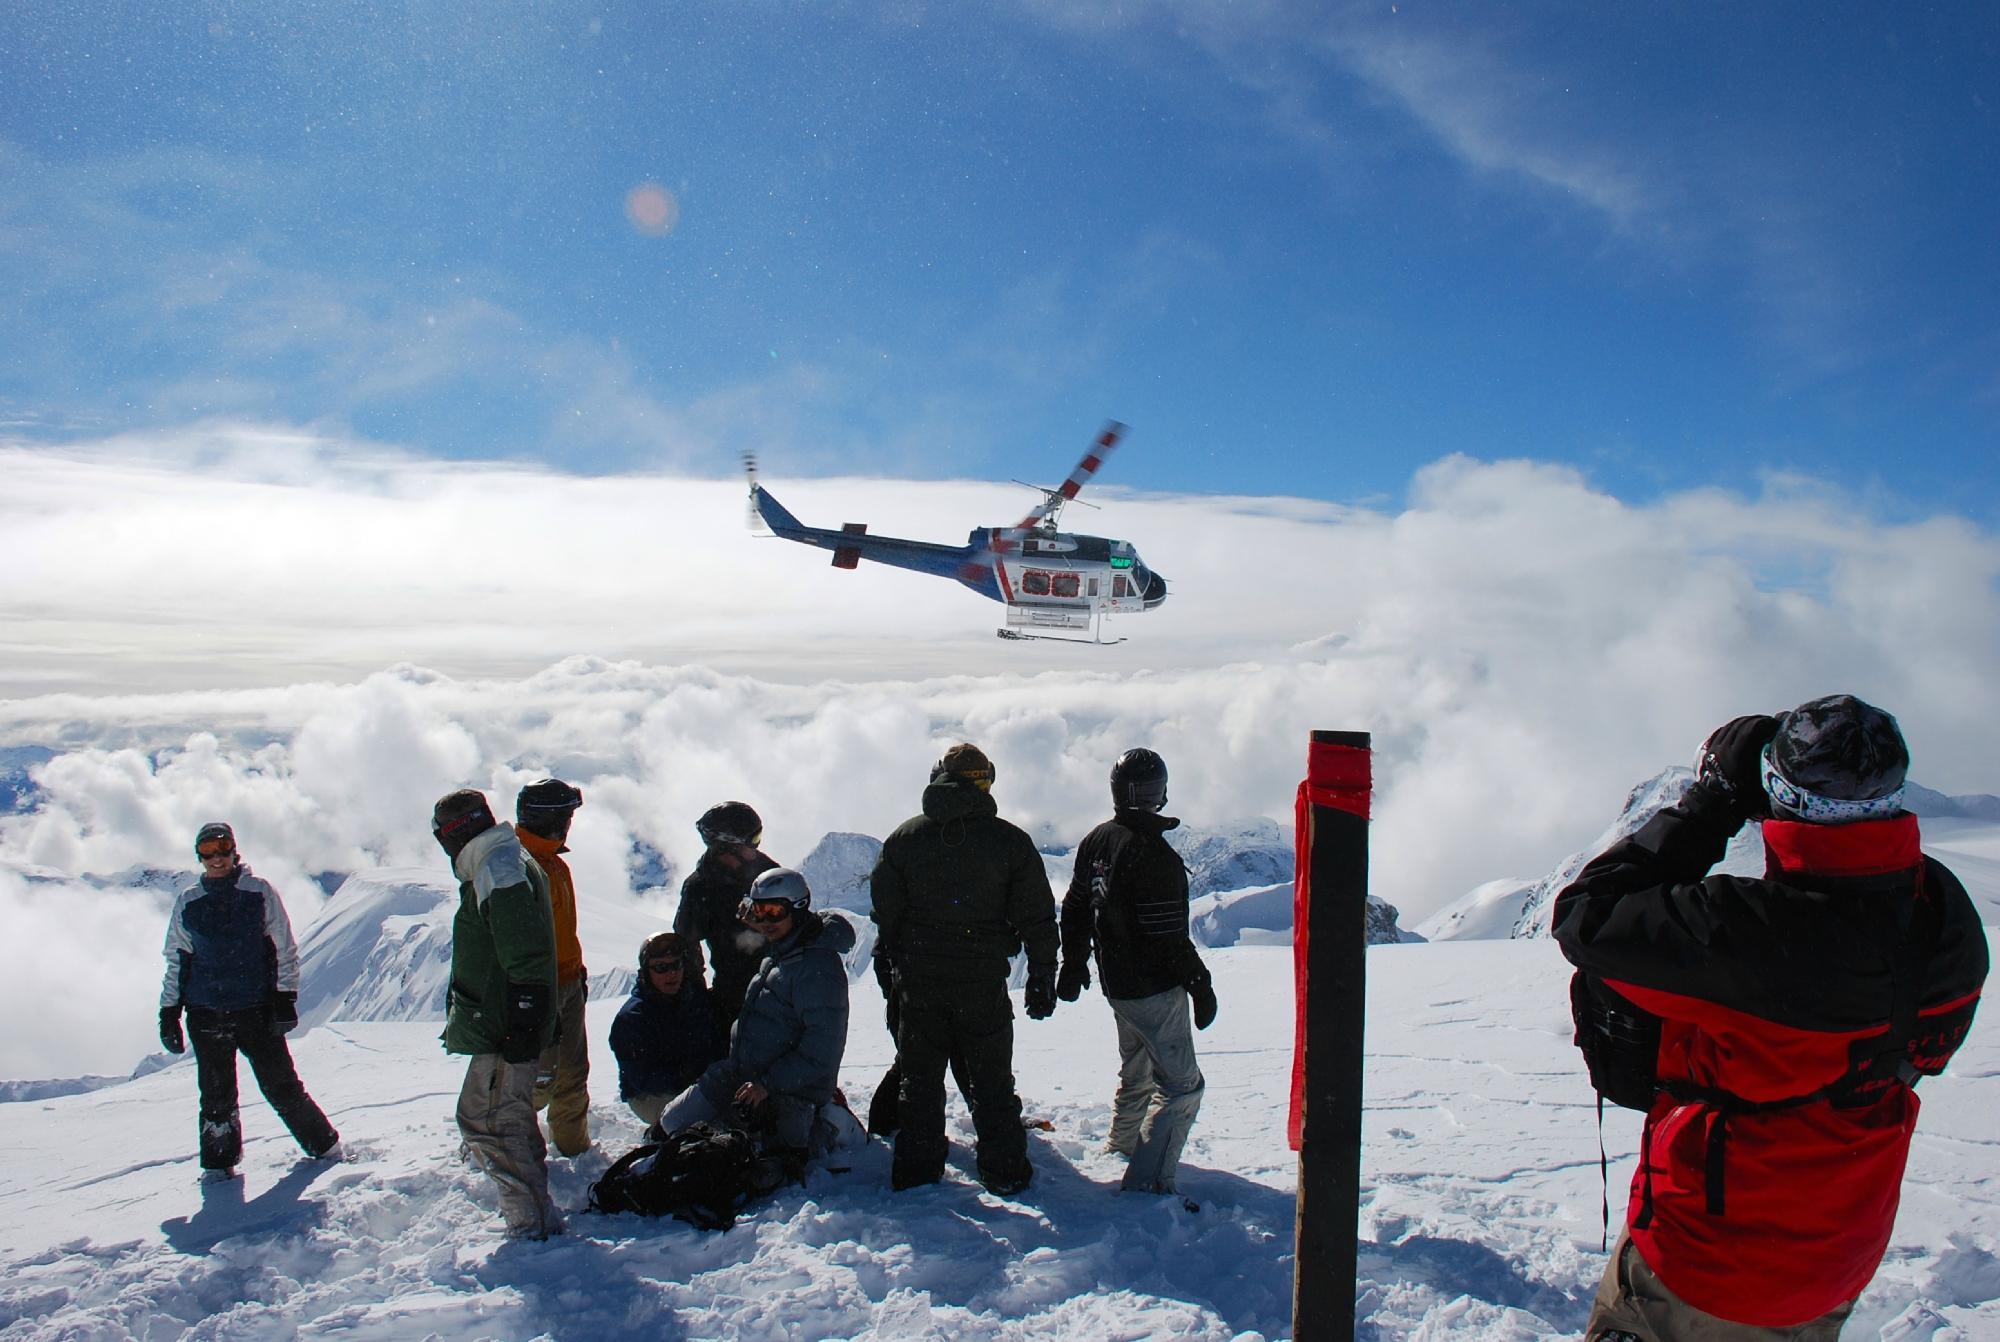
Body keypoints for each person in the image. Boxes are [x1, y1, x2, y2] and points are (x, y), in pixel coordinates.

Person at [1553, 695, 1987, 1340]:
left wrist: (1712, 806)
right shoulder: (1943, 910)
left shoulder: (1745, 930)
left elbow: (1586, 918)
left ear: (1779, 794)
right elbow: (1927, 1050)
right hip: (1838, 1250)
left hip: (1705, 1260)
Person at [870, 743, 1060, 1195]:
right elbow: (1036, 916)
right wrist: (1042, 975)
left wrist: (897, 968)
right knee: (991, 1082)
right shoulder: (1009, 841)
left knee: (919, 1084)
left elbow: (887, 914)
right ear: (985, 782)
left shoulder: (903, 839)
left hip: (919, 984)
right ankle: (1005, 1172)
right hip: (982, 983)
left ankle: (917, 1175)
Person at [1058, 748, 1215, 1196]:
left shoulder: (1098, 840)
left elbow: (1074, 907)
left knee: (1139, 1067)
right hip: (1154, 988)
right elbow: (1167, 936)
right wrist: (1199, 984)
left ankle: (1123, 1144)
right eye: (1150, 790)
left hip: (1118, 985)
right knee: (1182, 1086)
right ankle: (1148, 1183)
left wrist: (1074, 963)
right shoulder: (1152, 854)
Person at [158, 822, 341, 1180]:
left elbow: (285, 947)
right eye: (208, 850)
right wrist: (169, 1012)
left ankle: (327, 1148)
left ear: (234, 850)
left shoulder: (259, 892)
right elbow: (177, 959)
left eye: (222, 847)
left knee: (281, 1085)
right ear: (199, 856)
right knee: (215, 1096)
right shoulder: (189, 901)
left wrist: (285, 997)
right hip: (205, 1013)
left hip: (255, 1010)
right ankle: (217, 1168)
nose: (216, 857)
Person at [651, 869, 858, 1166]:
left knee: (746, 1160)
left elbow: (822, 1051)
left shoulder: (817, 968)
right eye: (758, 911)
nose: (765, 921)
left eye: (774, 911)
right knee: (671, 1125)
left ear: (799, 908)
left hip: (789, 1090)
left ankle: (828, 1121)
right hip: (741, 1074)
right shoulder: (784, 948)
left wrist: (768, 1085)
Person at [433, 788, 563, 1240]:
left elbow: (523, 949)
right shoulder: (502, 858)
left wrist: (526, 1016)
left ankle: (532, 1225)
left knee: (489, 1120)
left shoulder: (498, 866)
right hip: (506, 1018)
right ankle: (535, 1215)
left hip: (504, 1022)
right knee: (506, 1114)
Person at [514, 777, 592, 1156]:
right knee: (538, 1077)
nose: (570, 822)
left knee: (573, 1072)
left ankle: (574, 1146)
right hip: (538, 989)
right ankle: (508, 1143)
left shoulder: (554, 864)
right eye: (567, 815)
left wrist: (576, 973)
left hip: (567, 982)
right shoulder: (519, 868)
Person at [672, 801, 780, 1033]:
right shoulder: (699, 888)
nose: (757, 846)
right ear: (727, 846)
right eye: (753, 839)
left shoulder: (767, 873)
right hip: (733, 999)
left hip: (781, 988)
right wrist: (699, 999)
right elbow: (685, 944)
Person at [609, 931, 721, 1126]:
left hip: (697, 1084)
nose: (672, 974)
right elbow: (639, 1077)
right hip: (649, 1095)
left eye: (676, 965)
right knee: (699, 1119)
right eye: (661, 968)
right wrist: (683, 1076)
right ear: (646, 972)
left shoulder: (695, 1001)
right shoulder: (632, 1018)